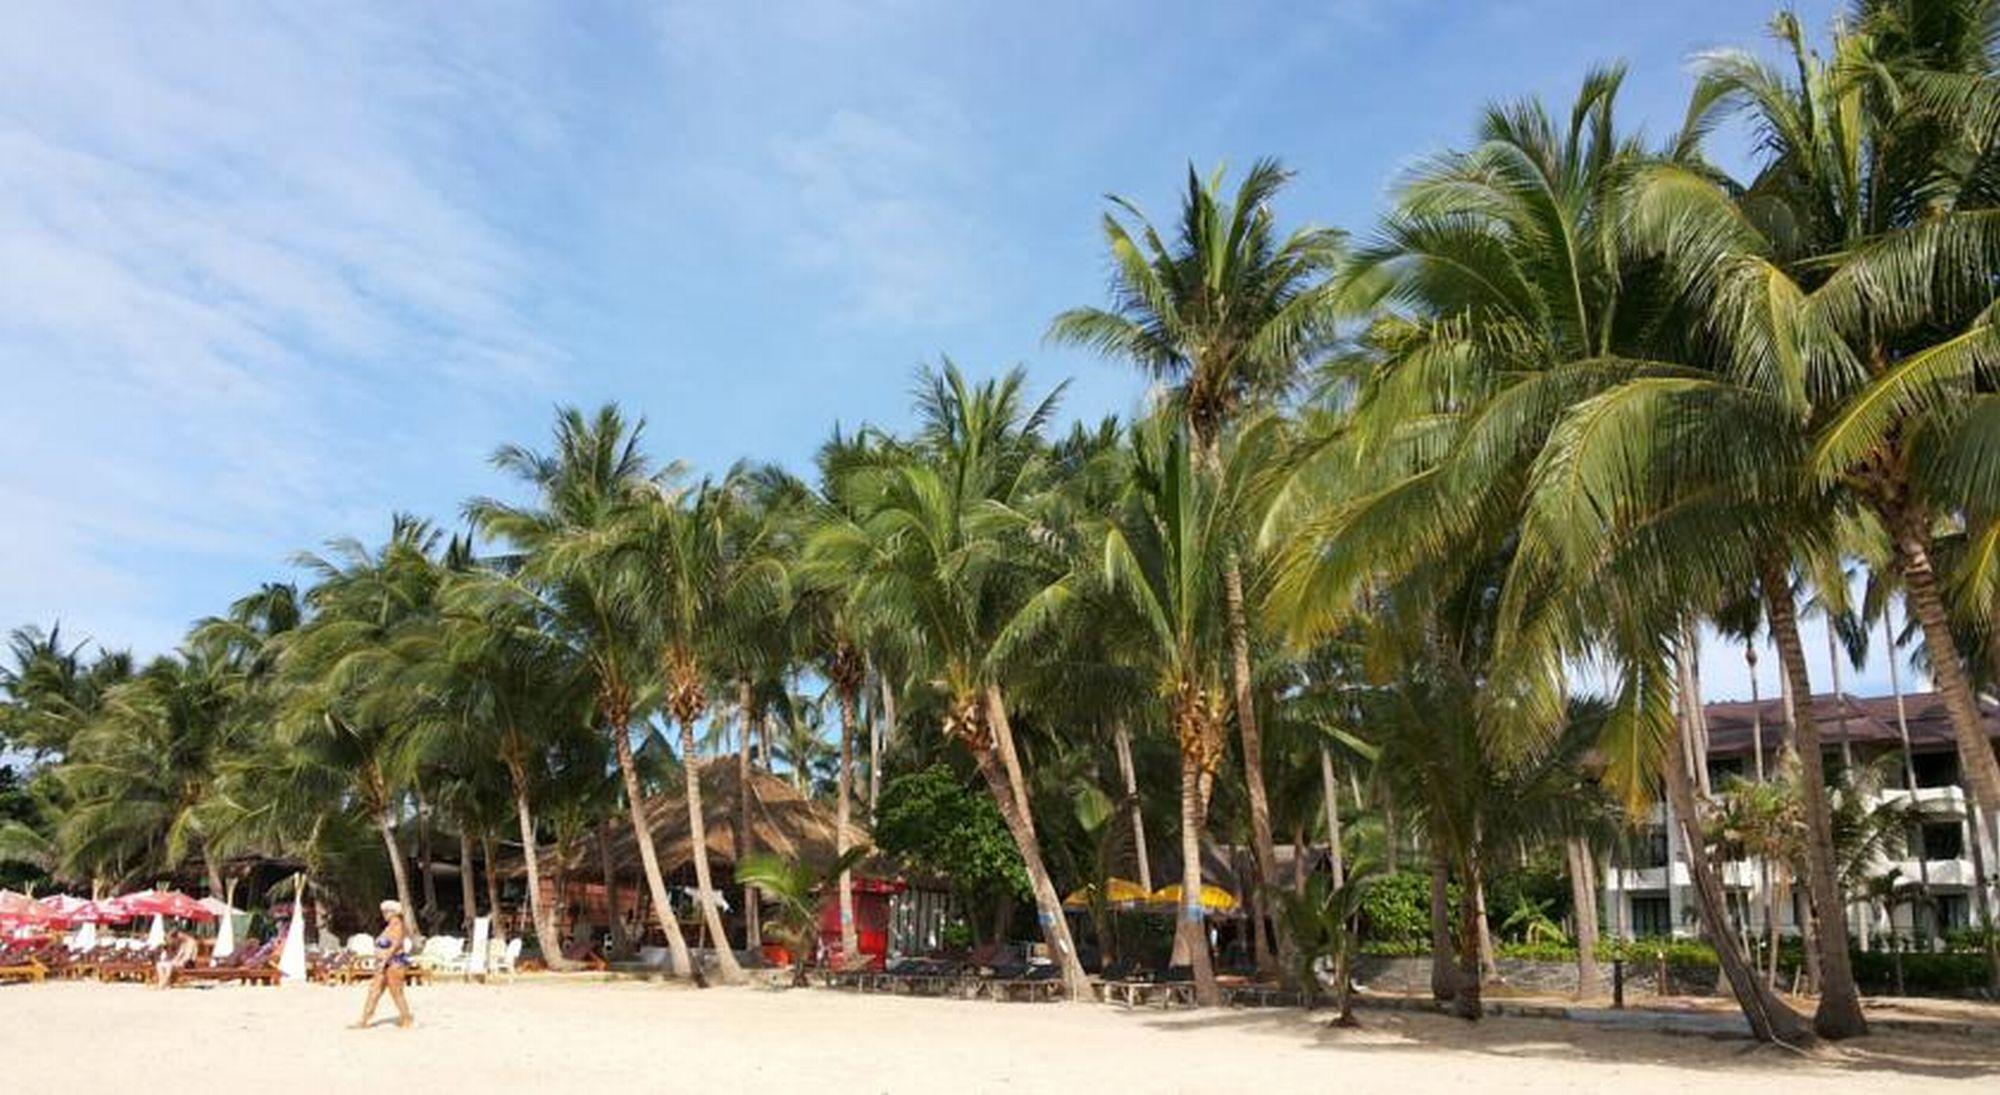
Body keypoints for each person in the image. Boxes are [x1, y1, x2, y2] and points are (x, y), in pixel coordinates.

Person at [351, 899, 414, 1029]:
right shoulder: (389, 926)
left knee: (396, 992)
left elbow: (396, 945)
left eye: (386, 912)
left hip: (394, 962)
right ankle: (364, 1019)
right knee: (374, 990)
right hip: (384, 963)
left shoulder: (398, 925)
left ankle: (406, 1018)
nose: (384, 914)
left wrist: (385, 960)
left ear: (393, 912)